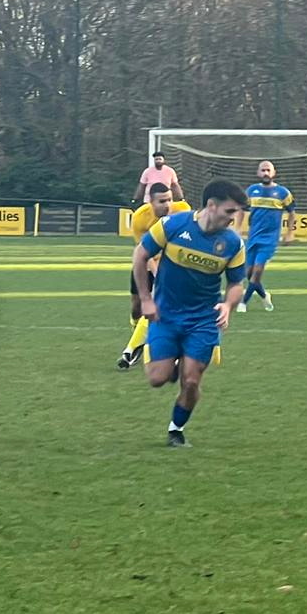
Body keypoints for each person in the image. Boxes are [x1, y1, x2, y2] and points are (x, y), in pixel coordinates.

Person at [133, 180, 247, 447]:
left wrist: (228, 305)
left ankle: (176, 430)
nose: (234, 218)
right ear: (211, 205)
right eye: (230, 211)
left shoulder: (233, 244)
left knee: (192, 380)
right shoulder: (173, 226)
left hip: (203, 320)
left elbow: (235, 284)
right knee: (156, 379)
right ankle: (171, 364)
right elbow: (140, 256)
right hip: (166, 315)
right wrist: (146, 299)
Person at [118, 182, 190, 369]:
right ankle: (138, 334)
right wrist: (157, 272)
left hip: (173, 263)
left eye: (169, 200)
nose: (167, 205)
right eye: (162, 201)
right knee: (136, 306)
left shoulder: (182, 210)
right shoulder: (140, 217)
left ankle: (131, 350)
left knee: (157, 304)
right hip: (146, 262)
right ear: (151, 202)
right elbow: (143, 251)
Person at [238, 160, 294, 313]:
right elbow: (241, 210)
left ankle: (243, 302)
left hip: (270, 239)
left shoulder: (283, 193)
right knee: (249, 274)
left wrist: (289, 233)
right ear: (258, 173)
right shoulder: (251, 191)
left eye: (268, 170)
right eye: (263, 170)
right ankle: (264, 295)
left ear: (274, 173)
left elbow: (291, 213)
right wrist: (237, 228)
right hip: (253, 237)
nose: (265, 173)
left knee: (257, 272)